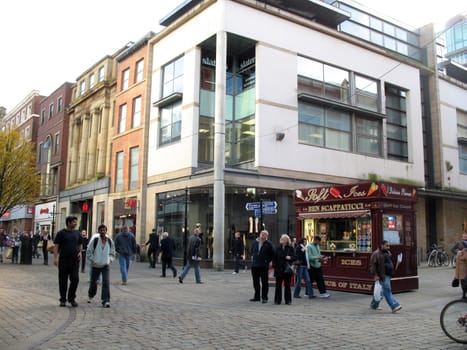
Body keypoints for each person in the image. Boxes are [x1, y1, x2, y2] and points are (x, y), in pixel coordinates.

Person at [53, 216, 83, 307]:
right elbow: (56, 246)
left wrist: (80, 252)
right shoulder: (61, 233)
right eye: (74, 222)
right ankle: (63, 299)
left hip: (74, 260)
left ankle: (71, 298)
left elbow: (80, 243)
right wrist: (55, 257)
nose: (75, 223)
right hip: (63, 260)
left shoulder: (77, 233)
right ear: (69, 223)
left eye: (75, 222)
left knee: (75, 279)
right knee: (63, 281)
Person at [86, 224, 115, 308]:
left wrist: (109, 260)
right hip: (95, 265)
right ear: (98, 231)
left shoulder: (109, 240)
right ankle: (91, 295)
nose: (103, 231)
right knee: (93, 282)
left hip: (105, 265)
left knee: (106, 282)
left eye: (104, 230)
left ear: (106, 231)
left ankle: (105, 300)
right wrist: (93, 259)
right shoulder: (95, 240)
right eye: (101, 230)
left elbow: (113, 252)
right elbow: (89, 252)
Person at [369, 240, 402, 312]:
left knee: (380, 291)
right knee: (387, 290)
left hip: (388, 274)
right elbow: (372, 266)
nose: (388, 247)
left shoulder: (387, 253)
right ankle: (394, 305)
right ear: (382, 245)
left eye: (389, 246)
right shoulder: (376, 254)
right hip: (382, 275)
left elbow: (389, 263)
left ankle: (374, 305)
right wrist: (375, 275)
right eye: (387, 246)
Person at [250, 230, 275, 303]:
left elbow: (273, 254)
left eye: (265, 235)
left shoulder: (269, 244)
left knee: (264, 282)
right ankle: (256, 297)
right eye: (262, 234)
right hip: (254, 265)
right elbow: (252, 251)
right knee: (255, 282)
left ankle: (264, 297)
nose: (263, 236)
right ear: (260, 234)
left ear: (267, 236)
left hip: (263, 265)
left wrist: (269, 261)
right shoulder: (255, 242)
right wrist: (252, 257)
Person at [273, 234, 296, 305]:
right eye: (281, 238)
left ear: (286, 240)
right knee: (278, 285)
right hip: (279, 269)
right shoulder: (277, 248)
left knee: (287, 286)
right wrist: (275, 266)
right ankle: (277, 300)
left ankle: (288, 300)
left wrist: (290, 258)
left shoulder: (290, 248)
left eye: (283, 239)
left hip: (287, 270)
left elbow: (295, 257)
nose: (281, 239)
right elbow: (274, 258)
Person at [453, 233, 467, 298]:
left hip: (464, 270)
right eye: (464, 236)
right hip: (460, 270)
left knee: (464, 283)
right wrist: (458, 252)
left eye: (466, 236)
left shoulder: (465, 254)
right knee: (463, 283)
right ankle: (464, 295)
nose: (465, 237)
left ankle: (464, 295)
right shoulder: (459, 244)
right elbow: (453, 249)